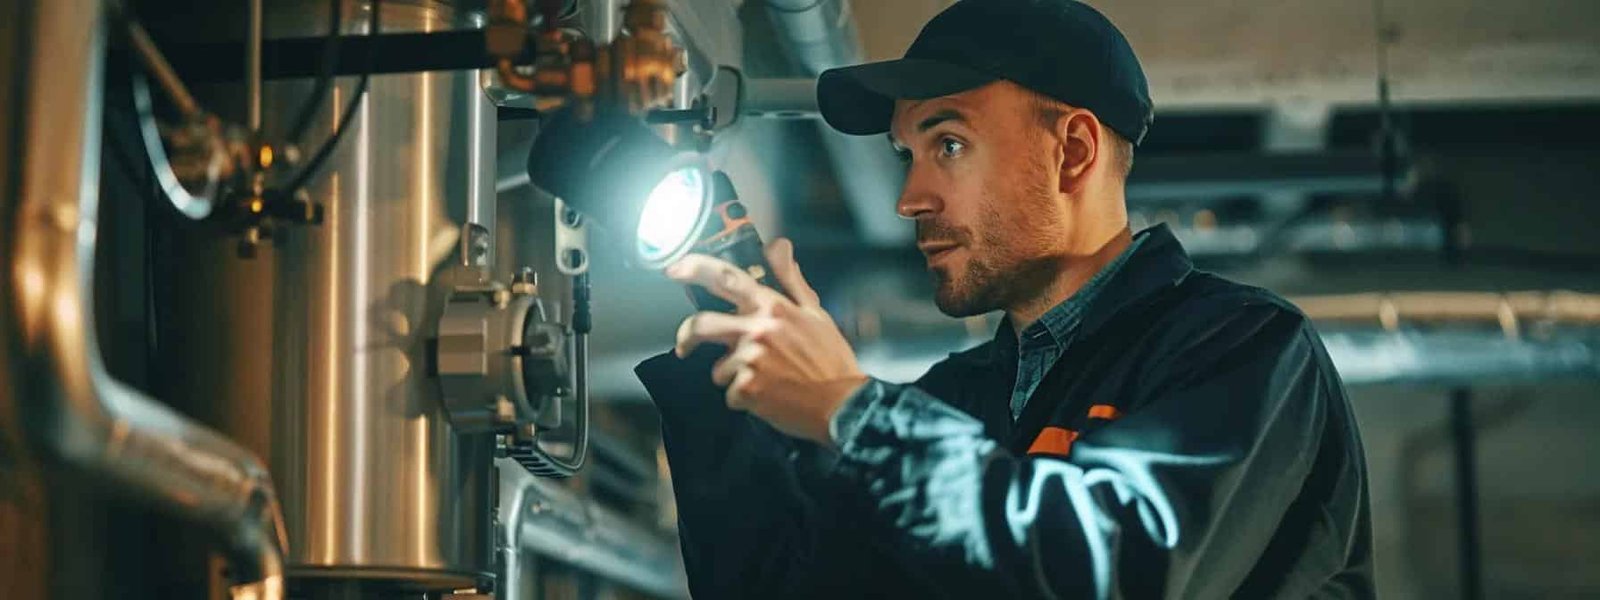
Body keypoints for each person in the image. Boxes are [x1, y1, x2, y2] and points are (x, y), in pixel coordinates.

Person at [635, 0, 1374, 597]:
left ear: (1073, 152)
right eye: (907, 156)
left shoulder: (1239, 350)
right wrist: (730, 347)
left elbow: (1118, 574)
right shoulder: (956, 400)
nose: (908, 198)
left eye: (948, 144)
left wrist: (854, 412)